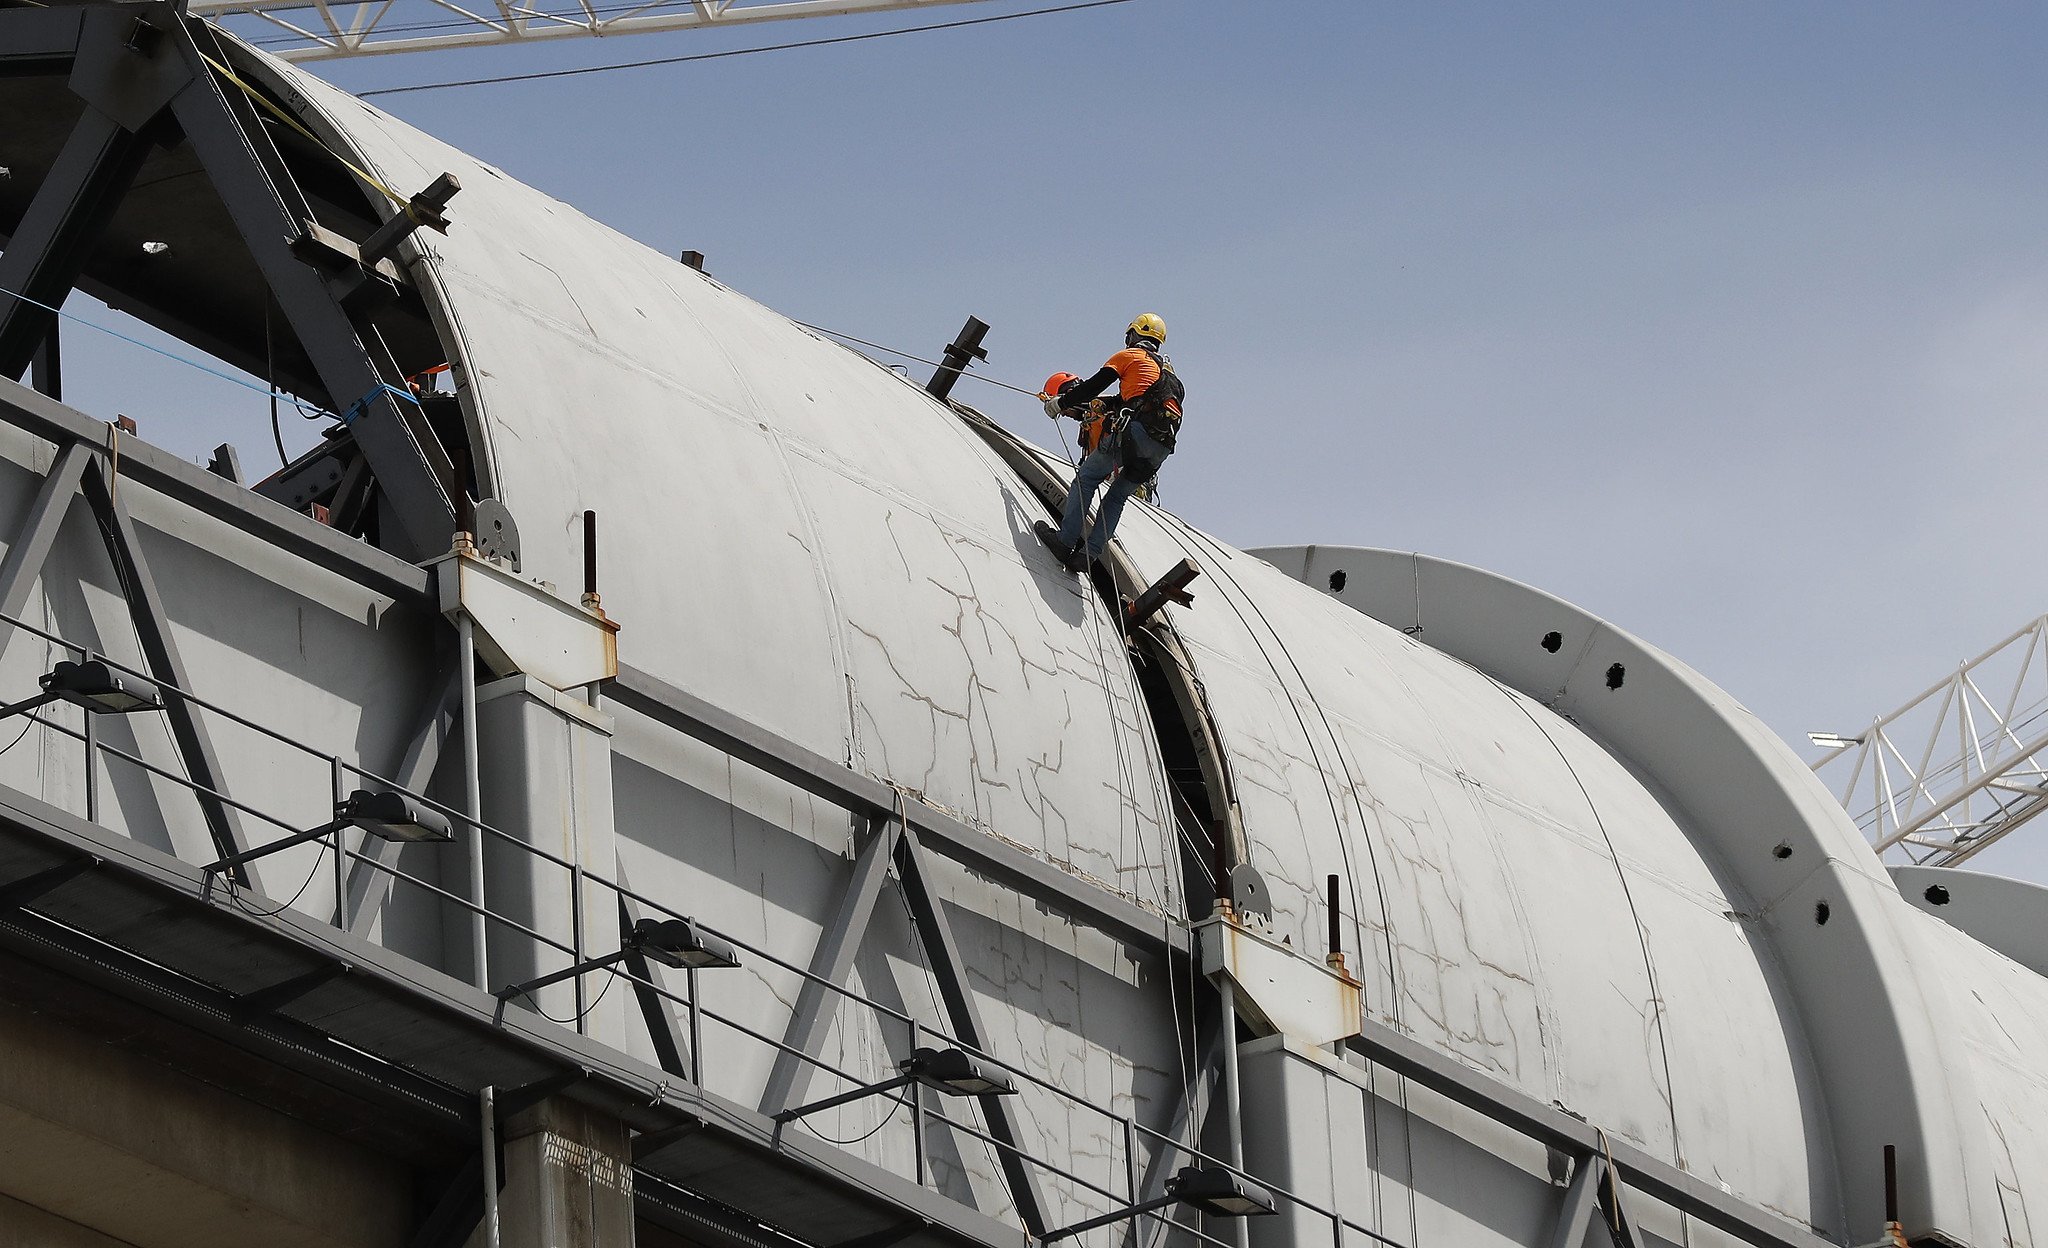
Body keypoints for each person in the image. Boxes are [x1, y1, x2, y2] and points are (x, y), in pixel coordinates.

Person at [1033, 313, 1183, 573]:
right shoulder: (1169, 375)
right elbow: (1139, 400)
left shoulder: (1129, 357)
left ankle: (1065, 540)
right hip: (1160, 449)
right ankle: (1088, 556)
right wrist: (1110, 403)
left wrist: (1061, 403)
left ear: (1133, 335)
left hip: (1133, 435)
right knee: (1117, 498)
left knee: (1087, 479)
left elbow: (1092, 385)